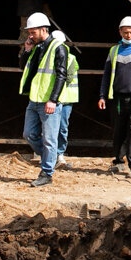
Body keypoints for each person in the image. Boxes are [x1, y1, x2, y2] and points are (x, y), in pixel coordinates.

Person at [17, 12, 71, 187]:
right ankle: (52, 158)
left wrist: (53, 100)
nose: (30, 36)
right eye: (29, 33)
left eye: (33, 32)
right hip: (35, 99)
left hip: (49, 101)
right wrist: (26, 50)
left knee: (49, 139)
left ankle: (46, 173)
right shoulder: (37, 47)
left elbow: (62, 75)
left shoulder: (58, 48)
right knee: (29, 134)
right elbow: (23, 67)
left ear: (43, 29)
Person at [99, 16, 131, 178]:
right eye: (125, 32)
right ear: (120, 32)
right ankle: (118, 162)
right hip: (118, 97)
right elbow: (107, 75)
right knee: (118, 130)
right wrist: (102, 95)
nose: (128, 35)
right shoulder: (114, 51)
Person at [48, 30, 80, 169]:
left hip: (65, 99)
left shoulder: (71, 58)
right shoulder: (46, 57)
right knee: (50, 128)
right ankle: (50, 155)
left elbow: (67, 77)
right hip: (51, 99)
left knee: (61, 127)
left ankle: (59, 155)